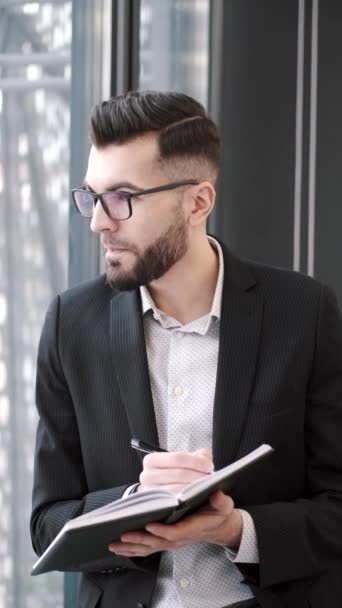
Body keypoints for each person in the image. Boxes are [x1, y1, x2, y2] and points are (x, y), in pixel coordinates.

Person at [30, 90, 342, 608]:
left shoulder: (303, 312)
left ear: (197, 202)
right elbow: (46, 524)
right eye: (91, 196)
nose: (98, 222)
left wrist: (237, 528)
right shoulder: (72, 324)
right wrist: (133, 503)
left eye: (122, 197)